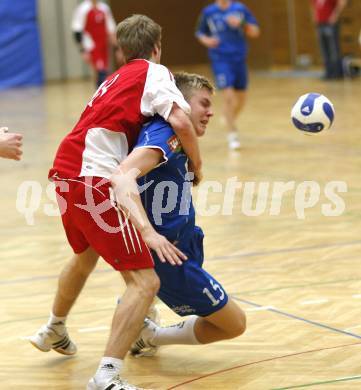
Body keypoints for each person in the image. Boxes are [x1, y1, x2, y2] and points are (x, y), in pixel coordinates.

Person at [29, 14, 202, 390]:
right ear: (157, 47)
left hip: (65, 170)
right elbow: (182, 121)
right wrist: (196, 165)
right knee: (145, 282)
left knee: (86, 254)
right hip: (94, 178)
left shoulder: (111, 80)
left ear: (121, 49)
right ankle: (106, 376)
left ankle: (54, 328)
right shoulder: (154, 73)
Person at [111, 72, 246, 359]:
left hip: (184, 243)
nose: (210, 112)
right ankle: (151, 334)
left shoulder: (175, 136)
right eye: (204, 104)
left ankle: (137, 309)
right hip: (170, 257)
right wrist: (147, 234)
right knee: (235, 324)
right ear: (181, 103)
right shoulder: (164, 136)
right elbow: (123, 178)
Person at [196, 0, 260, 150]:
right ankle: (232, 134)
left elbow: (255, 31)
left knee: (242, 99)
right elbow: (200, 32)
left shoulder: (240, 9)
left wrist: (242, 23)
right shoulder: (209, 12)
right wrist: (207, 40)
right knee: (229, 97)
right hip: (220, 60)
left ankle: (228, 118)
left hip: (239, 59)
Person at [72, 0, 117, 87]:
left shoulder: (104, 8)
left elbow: (111, 28)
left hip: (104, 44)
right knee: (100, 70)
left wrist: (117, 48)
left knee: (104, 69)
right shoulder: (83, 9)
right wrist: (82, 50)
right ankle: (99, 93)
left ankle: (102, 93)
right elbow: (77, 30)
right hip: (91, 44)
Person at [310, 0, 347, 80]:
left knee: (333, 49)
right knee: (324, 50)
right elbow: (314, 6)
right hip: (320, 24)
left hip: (330, 24)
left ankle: (336, 73)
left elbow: (342, 2)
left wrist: (335, 15)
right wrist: (315, 15)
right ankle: (328, 72)